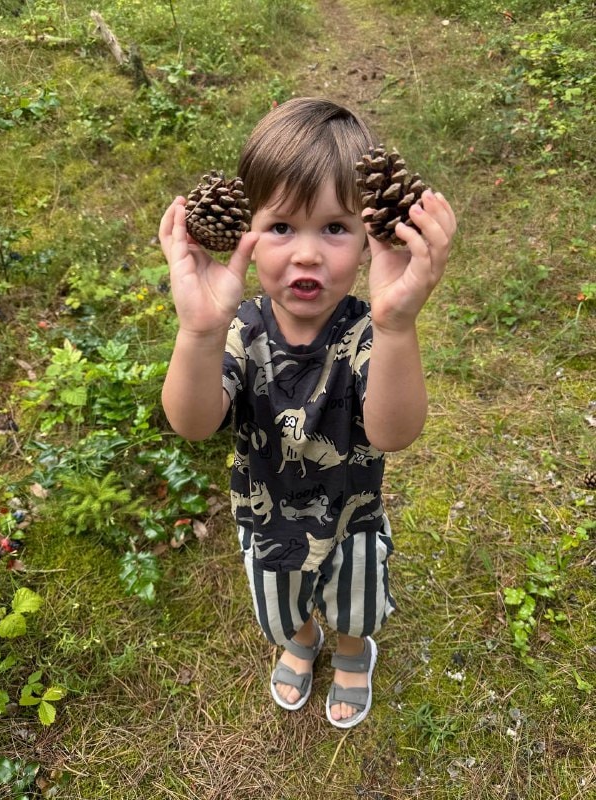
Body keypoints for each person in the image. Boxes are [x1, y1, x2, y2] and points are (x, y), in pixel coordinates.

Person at [159, 97, 456, 728]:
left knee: (355, 604)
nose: (307, 254)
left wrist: (398, 326)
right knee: (281, 606)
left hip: (351, 517)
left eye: (335, 228)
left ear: (372, 238)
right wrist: (198, 330)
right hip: (266, 517)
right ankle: (300, 639)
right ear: (244, 230)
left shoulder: (368, 332)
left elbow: (394, 432)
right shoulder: (240, 329)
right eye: (282, 228)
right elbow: (193, 422)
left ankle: (351, 648)